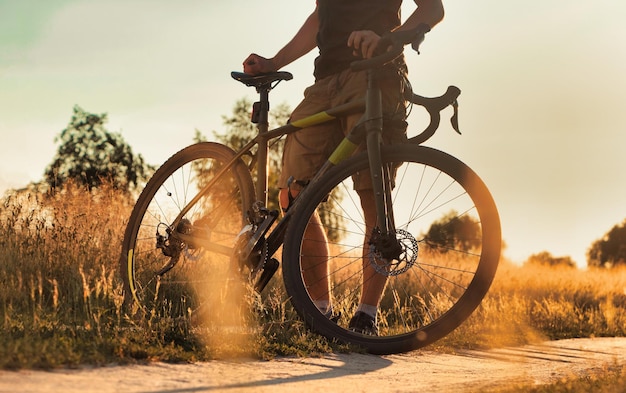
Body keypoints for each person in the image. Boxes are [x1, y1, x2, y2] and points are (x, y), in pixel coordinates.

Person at [243, 0, 445, 335]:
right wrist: (275, 61)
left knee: (372, 191)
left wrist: (388, 37)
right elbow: (321, 15)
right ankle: (321, 315)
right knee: (294, 197)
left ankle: (366, 316)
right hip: (325, 82)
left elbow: (433, 9)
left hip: (377, 73)